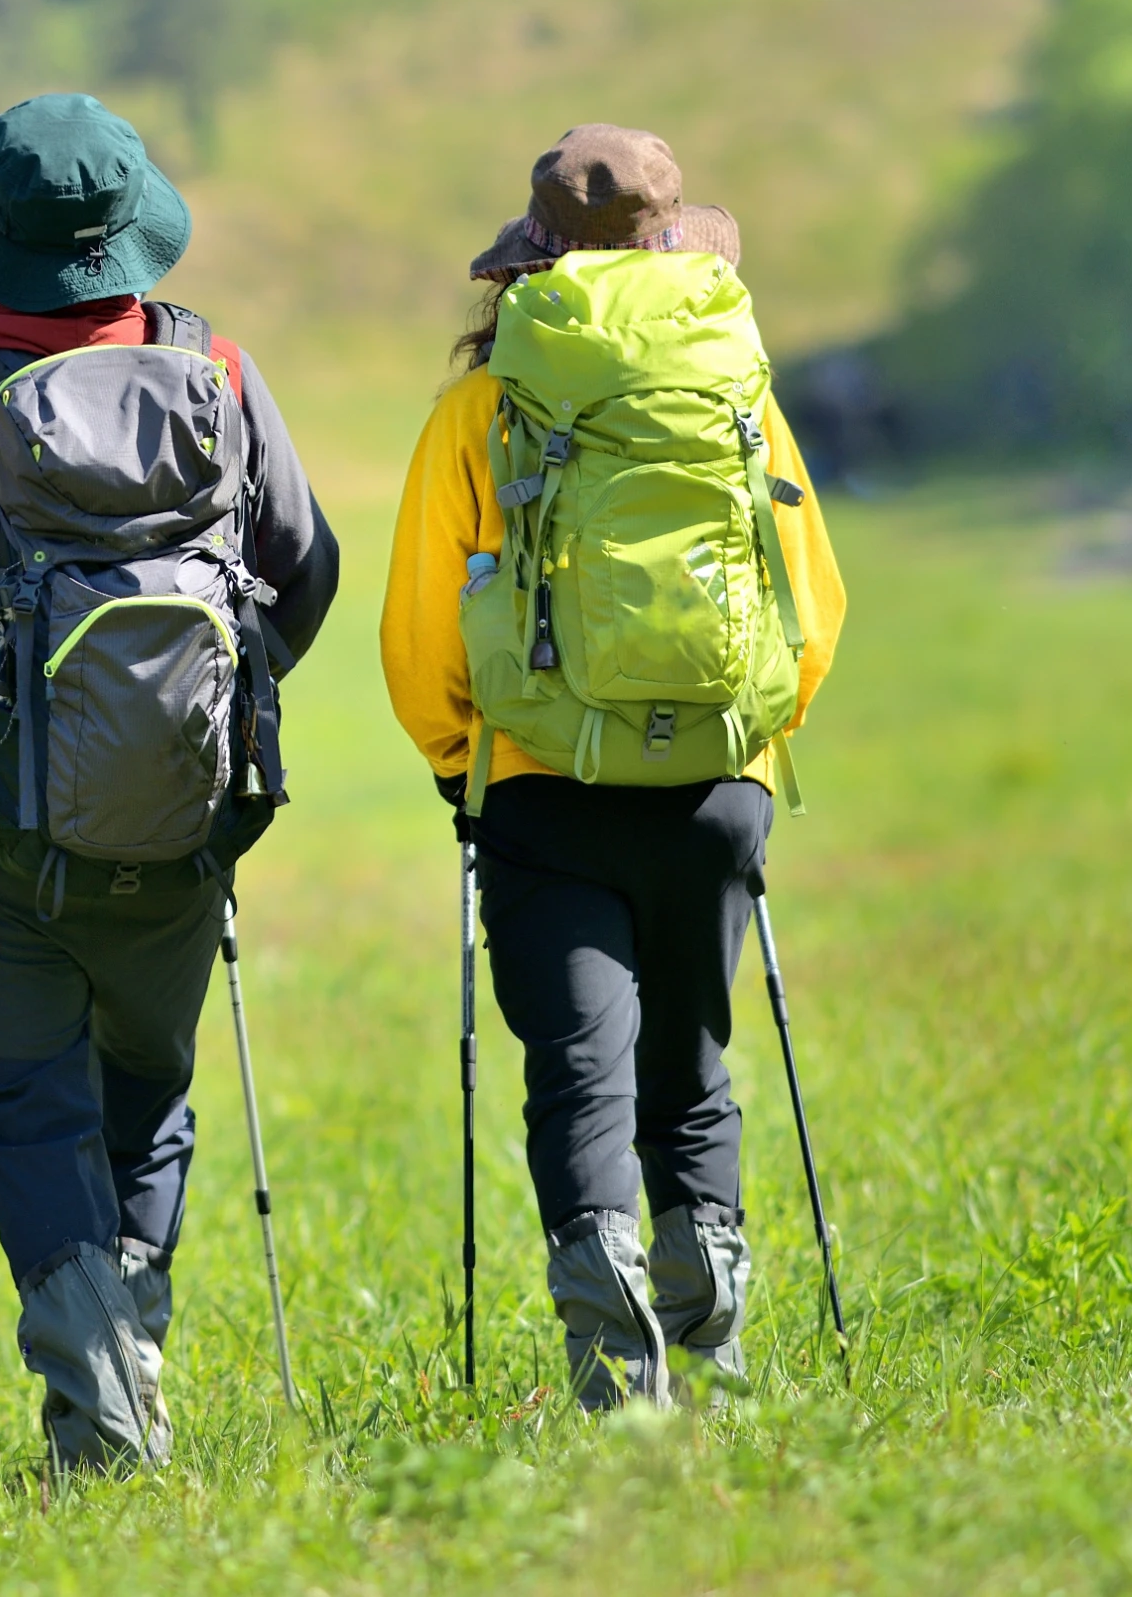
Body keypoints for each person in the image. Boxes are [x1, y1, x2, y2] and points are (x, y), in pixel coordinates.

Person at [0, 94, 340, 1474]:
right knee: (145, 1092)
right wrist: (211, 699)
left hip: (1, 837)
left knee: (12, 1090)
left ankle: (102, 1397)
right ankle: (125, 1364)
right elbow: (309, 568)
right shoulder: (221, 378)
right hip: (189, 828)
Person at [379, 126, 845, 1409]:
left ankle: (616, 1383)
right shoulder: (733, 386)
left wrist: (460, 764)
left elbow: (420, 630)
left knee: (577, 1074)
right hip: (716, 787)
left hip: (539, 787)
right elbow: (810, 599)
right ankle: (716, 1350)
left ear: (530, 262)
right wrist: (749, 735)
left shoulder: (482, 408)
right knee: (690, 1066)